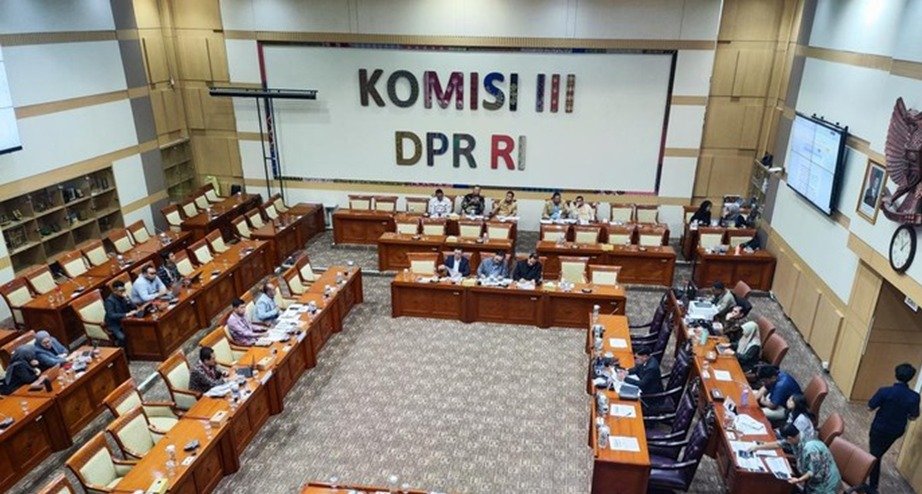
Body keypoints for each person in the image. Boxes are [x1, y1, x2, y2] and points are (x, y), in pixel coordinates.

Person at [867, 363, 920, 493]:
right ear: (911, 378)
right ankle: (871, 480)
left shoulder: (884, 391)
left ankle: (872, 486)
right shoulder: (914, 397)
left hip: (879, 428)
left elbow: (870, 407)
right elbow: (913, 416)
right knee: (877, 453)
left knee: (875, 454)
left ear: (896, 374)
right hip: (895, 431)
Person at [750, 424, 840, 493]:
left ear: (789, 438)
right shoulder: (797, 436)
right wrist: (758, 447)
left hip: (825, 483)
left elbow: (812, 471)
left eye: (787, 439)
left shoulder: (810, 448)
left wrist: (798, 480)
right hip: (812, 480)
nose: (786, 441)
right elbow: (778, 444)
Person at [104, 280, 139, 347]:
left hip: (125, 320)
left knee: (136, 330)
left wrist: (128, 300)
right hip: (115, 324)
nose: (123, 292)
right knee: (122, 337)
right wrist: (126, 314)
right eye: (121, 291)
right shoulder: (109, 301)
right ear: (114, 291)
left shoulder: (124, 296)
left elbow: (134, 307)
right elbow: (111, 315)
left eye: (124, 290)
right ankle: (122, 349)